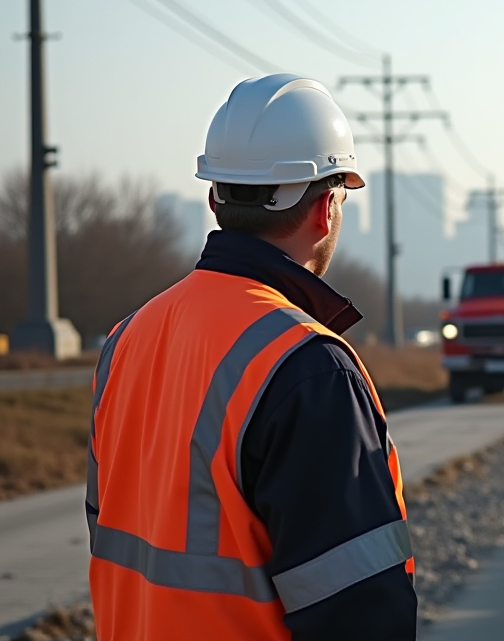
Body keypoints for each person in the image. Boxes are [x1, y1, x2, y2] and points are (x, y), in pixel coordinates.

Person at [86, 74, 417, 640]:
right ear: (328, 207)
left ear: (215, 198)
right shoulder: (307, 368)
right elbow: (358, 610)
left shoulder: (126, 340)